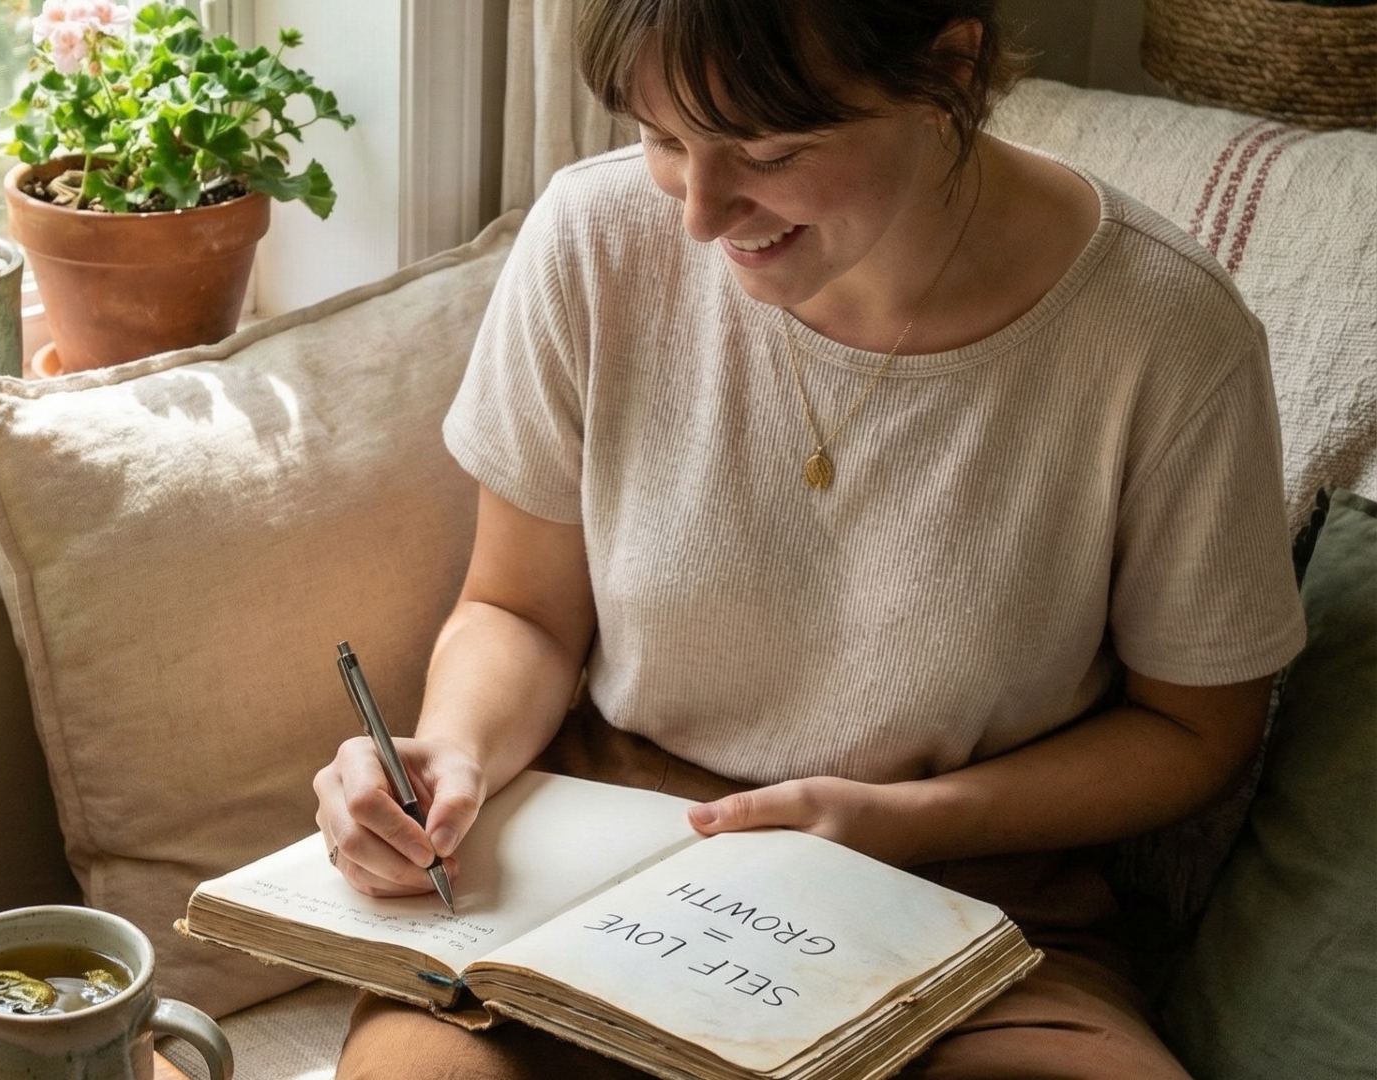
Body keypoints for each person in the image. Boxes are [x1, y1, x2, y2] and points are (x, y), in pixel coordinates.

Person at [315, 1, 1306, 1077]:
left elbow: (1196, 732)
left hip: (961, 905)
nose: (699, 214)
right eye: (663, 140)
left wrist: (903, 822)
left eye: (769, 150)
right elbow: (518, 610)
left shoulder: (1163, 331)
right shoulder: (593, 240)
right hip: (601, 876)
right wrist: (454, 749)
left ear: (950, 72)